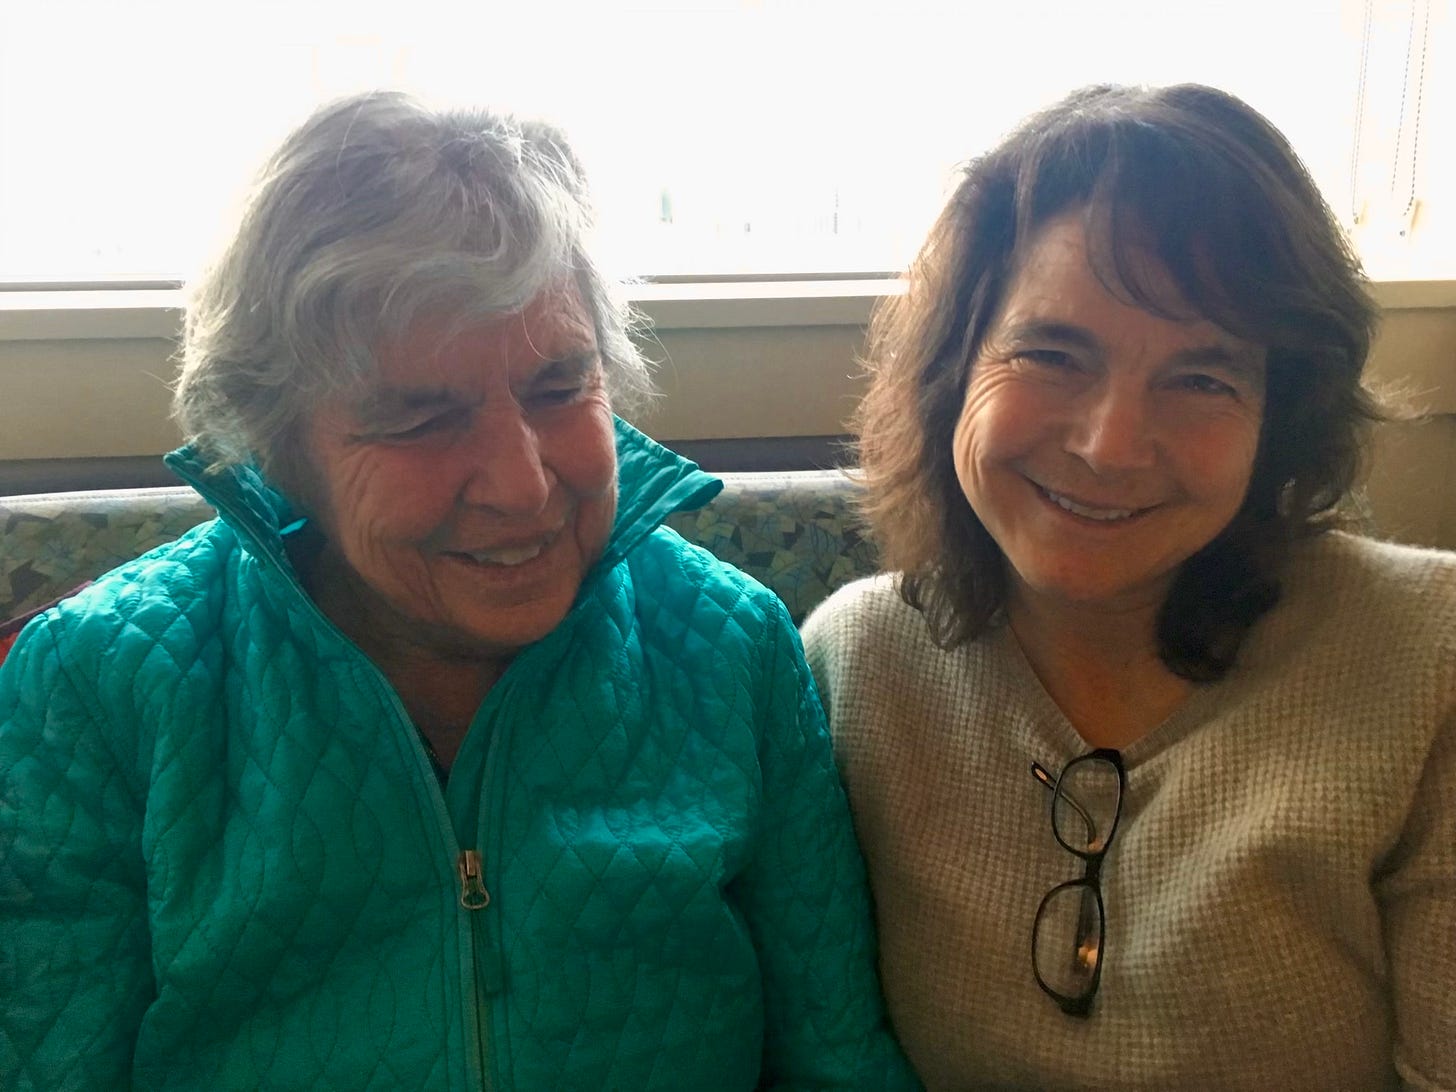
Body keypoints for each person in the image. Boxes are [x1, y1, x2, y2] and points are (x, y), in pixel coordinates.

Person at [0, 92, 917, 1091]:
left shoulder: (733, 647)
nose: (522, 487)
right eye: (420, 419)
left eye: (560, 389)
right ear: (277, 445)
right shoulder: (96, 685)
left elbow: (837, 1062)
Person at [801, 83, 1456, 1090]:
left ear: (1277, 418)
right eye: (1051, 353)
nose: (1110, 446)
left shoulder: (1430, 660)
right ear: (954, 367)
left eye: (1201, 379)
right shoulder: (850, 667)